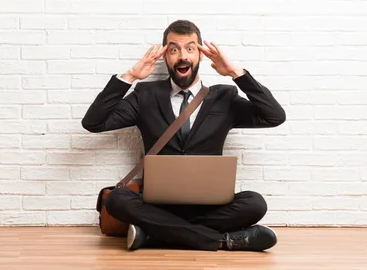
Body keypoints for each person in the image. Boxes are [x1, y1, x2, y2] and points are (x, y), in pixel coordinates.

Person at [81, 20, 286, 252]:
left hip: (209, 206)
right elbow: (93, 123)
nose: (182, 56)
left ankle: (153, 235)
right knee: (117, 200)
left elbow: (274, 116)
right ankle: (222, 241)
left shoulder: (225, 97)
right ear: (164, 56)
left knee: (255, 204)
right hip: (157, 205)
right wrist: (130, 76)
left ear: (200, 55)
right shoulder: (145, 95)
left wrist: (236, 73)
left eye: (190, 48)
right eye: (173, 49)